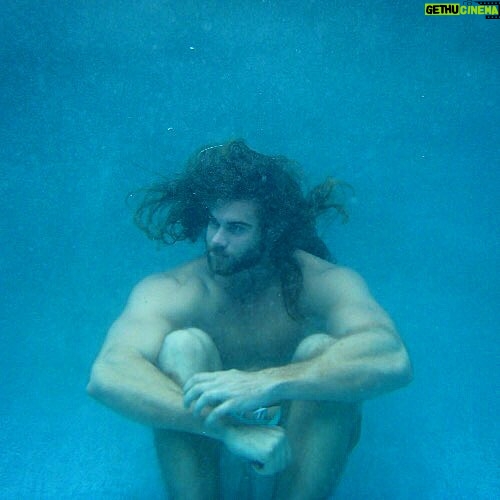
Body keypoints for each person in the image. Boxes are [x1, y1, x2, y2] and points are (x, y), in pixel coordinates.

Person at [87, 140, 412, 499]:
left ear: (271, 232)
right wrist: (228, 431)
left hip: (294, 458)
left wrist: (270, 383)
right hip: (214, 455)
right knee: (183, 347)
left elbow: (391, 357)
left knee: (323, 349)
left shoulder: (321, 282)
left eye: (236, 228)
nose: (216, 240)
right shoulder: (176, 289)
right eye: (214, 223)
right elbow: (108, 373)